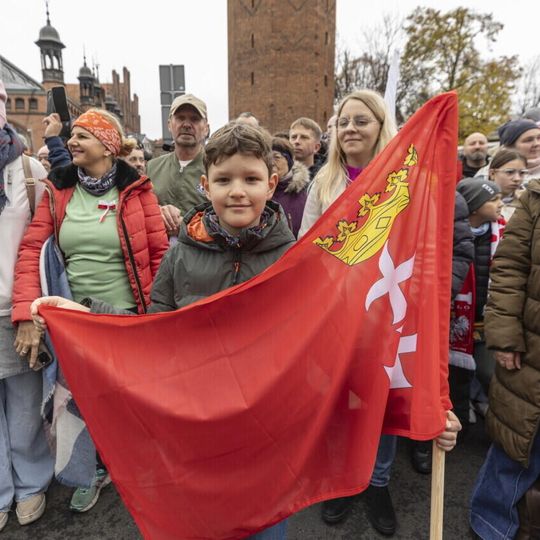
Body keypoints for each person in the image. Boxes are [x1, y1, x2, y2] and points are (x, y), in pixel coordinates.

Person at [31, 121, 295, 539]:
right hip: (198, 419)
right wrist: (82, 314)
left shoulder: (295, 260)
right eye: (224, 180)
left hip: (267, 426)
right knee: (204, 520)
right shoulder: (180, 256)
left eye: (251, 179)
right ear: (206, 186)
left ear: (272, 184)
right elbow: (153, 335)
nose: (237, 191)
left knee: (266, 522)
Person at [299, 89, 460, 536]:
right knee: (341, 396)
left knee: (381, 396)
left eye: (361, 120)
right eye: (343, 121)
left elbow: (425, 245)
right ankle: (343, 479)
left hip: (388, 311)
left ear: (380, 125)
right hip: (336, 312)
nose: (350, 128)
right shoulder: (324, 182)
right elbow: (305, 248)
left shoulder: (408, 179)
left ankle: (378, 481)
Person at [12, 108, 168, 513]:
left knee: (129, 400)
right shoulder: (57, 190)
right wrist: (25, 311)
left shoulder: (138, 191)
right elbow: (31, 251)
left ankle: (134, 467)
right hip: (73, 320)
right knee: (83, 402)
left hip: (127, 318)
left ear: (108, 146)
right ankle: (94, 469)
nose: (72, 141)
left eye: (83, 135)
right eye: (73, 135)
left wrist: (160, 317)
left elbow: (159, 256)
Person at [469, 173, 540, 539]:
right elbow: (509, 267)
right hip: (531, 350)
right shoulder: (536, 200)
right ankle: (491, 524)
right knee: (518, 442)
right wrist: (506, 336)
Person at [0, 80, 53, 532]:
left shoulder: (29, 170)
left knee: (24, 405)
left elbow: (39, 245)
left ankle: (31, 482)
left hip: (13, 306)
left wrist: (30, 309)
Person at [450, 178, 505, 429]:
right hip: (456, 320)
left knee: (488, 372)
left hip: (488, 320)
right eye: (493, 199)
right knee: (456, 377)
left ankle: (493, 420)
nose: (500, 204)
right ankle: (459, 423)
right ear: (473, 207)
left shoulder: (504, 233)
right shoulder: (451, 236)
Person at [146, 94, 209, 238]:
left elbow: (225, 219)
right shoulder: (152, 168)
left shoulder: (216, 168)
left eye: (194, 119)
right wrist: (157, 212)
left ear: (206, 128)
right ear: (169, 124)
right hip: (159, 250)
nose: (186, 124)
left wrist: (186, 226)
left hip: (202, 250)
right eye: (180, 118)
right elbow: (139, 211)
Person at [271, 137, 309, 237]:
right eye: (267, 157)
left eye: (276, 157)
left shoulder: (303, 192)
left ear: (289, 161)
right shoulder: (260, 192)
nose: (271, 162)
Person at [488, 148, 528, 221]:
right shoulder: (479, 202)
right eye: (509, 172)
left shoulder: (529, 201)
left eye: (522, 173)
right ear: (492, 173)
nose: (517, 178)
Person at [498, 118, 540, 183]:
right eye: (528, 140)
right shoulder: (495, 176)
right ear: (510, 147)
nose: (536, 144)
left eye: (539, 138)